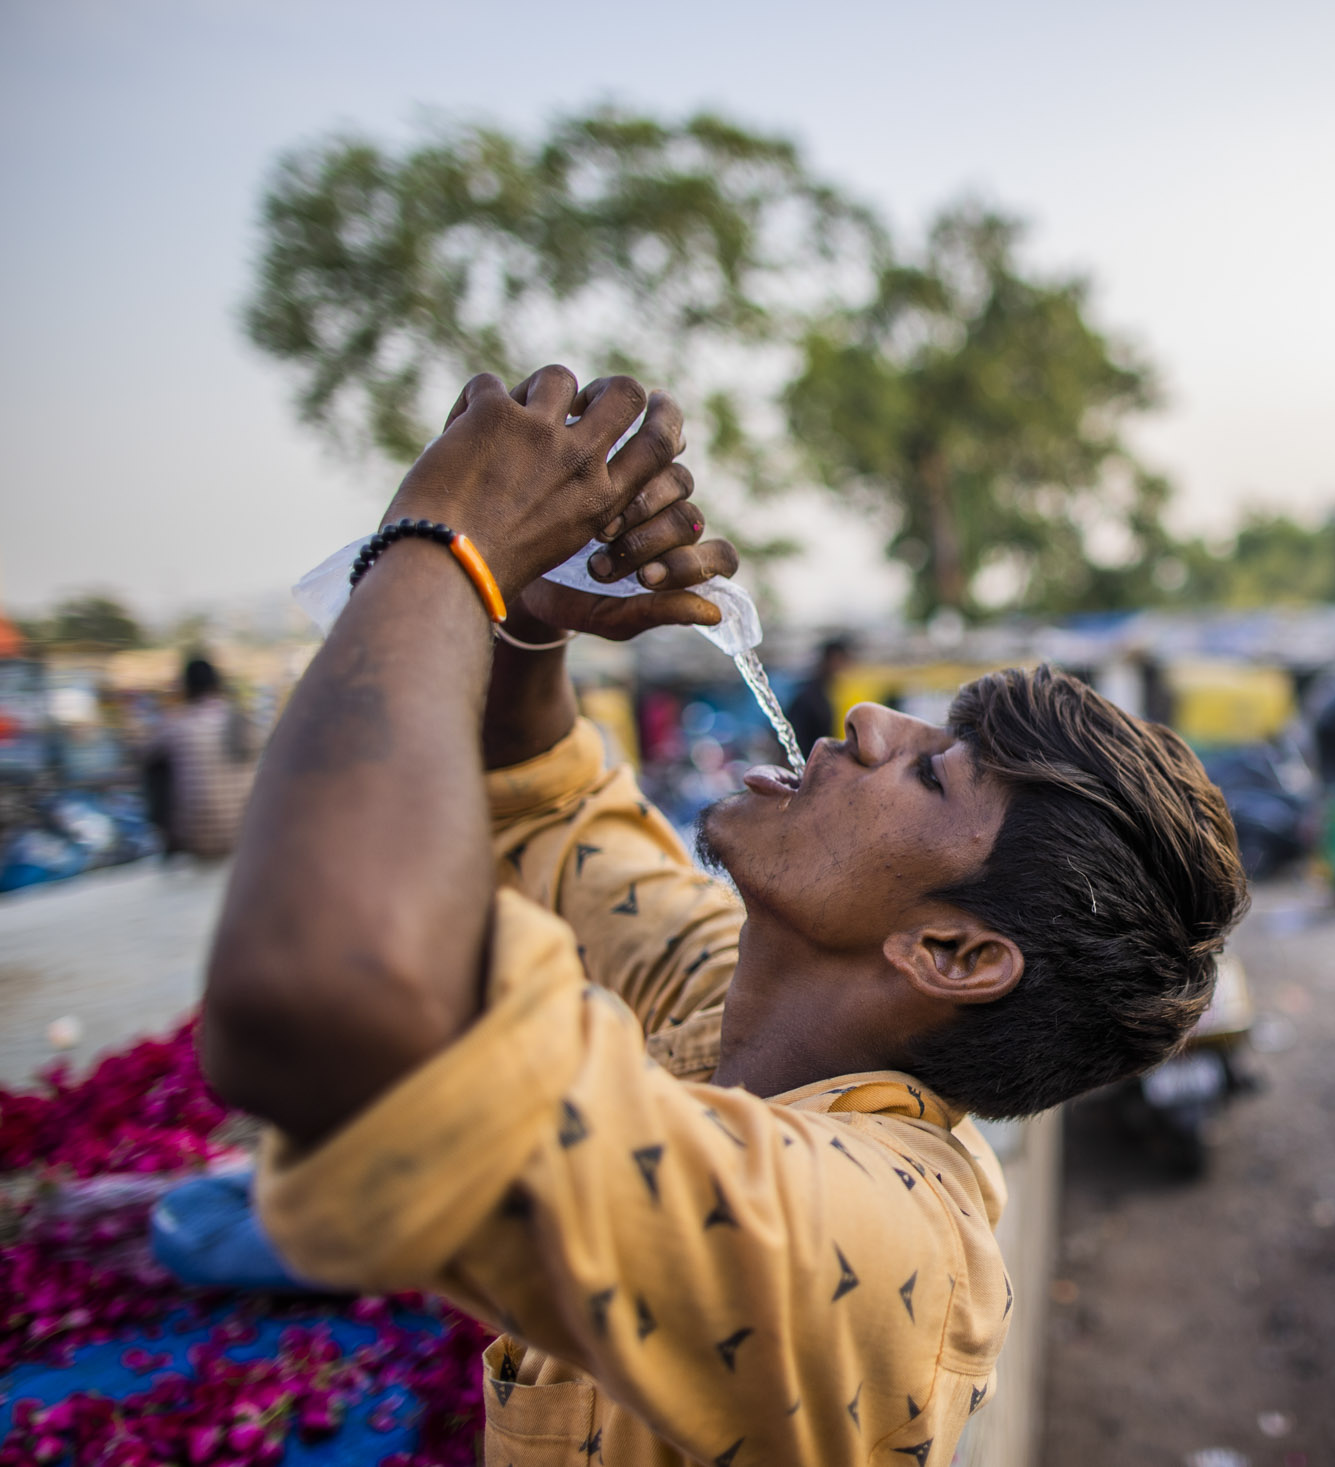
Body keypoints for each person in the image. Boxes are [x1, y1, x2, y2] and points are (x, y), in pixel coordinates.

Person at [198, 367, 1248, 1466]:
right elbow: (550, 800)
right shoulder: (740, 1017)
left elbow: (332, 998)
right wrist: (527, 612)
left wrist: (442, 545)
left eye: (934, 774)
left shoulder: (881, 1236)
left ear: (950, 952)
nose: (870, 721)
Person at [143, 654, 260, 858]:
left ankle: (169, 840)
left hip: (198, 840)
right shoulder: (240, 718)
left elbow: (146, 756)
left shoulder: (176, 724)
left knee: (158, 766)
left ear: (185, 686)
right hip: (248, 834)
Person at [787, 635, 852, 752]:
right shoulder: (808, 697)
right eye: (838, 661)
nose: (840, 668)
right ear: (827, 660)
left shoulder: (829, 694)